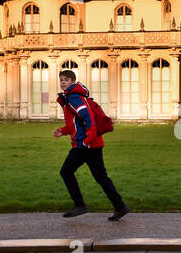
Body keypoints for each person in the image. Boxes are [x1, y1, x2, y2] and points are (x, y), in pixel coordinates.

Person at [54, 69, 130, 220]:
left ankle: (79, 205)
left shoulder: (74, 97)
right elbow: (76, 123)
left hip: (85, 145)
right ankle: (120, 207)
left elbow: (89, 119)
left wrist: (87, 140)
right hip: (93, 144)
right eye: (61, 79)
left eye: (66, 80)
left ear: (73, 82)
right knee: (101, 177)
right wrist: (63, 131)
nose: (63, 82)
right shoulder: (72, 98)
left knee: (66, 172)